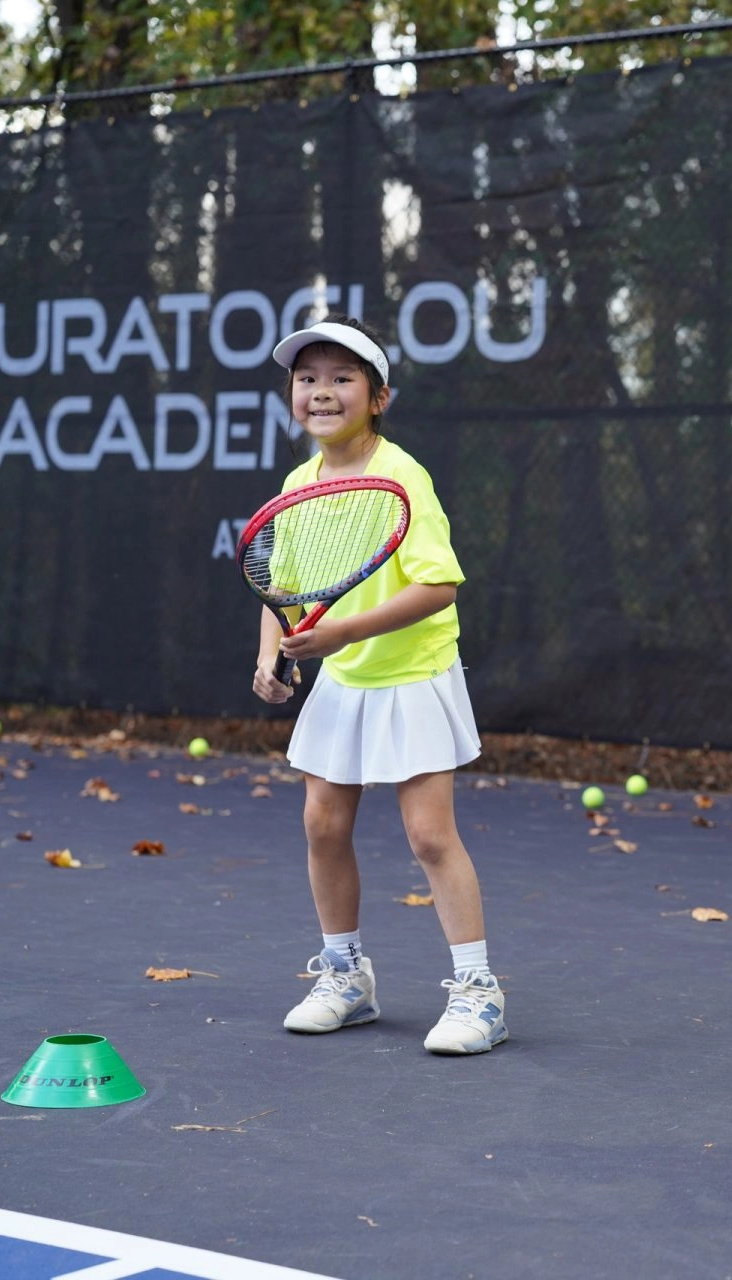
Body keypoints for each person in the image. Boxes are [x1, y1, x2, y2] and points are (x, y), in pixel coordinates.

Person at [253, 314, 506, 1056]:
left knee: (430, 836)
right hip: (344, 679)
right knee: (322, 827)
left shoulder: (402, 476)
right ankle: (345, 976)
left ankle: (479, 993)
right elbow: (281, 590)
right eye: (307, 379)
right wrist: (276, 655)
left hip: (414, 675)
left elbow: (440, 585)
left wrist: (338, 636)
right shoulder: (298, 485)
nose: (321, 391)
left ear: (379, 397)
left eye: (341, 378)